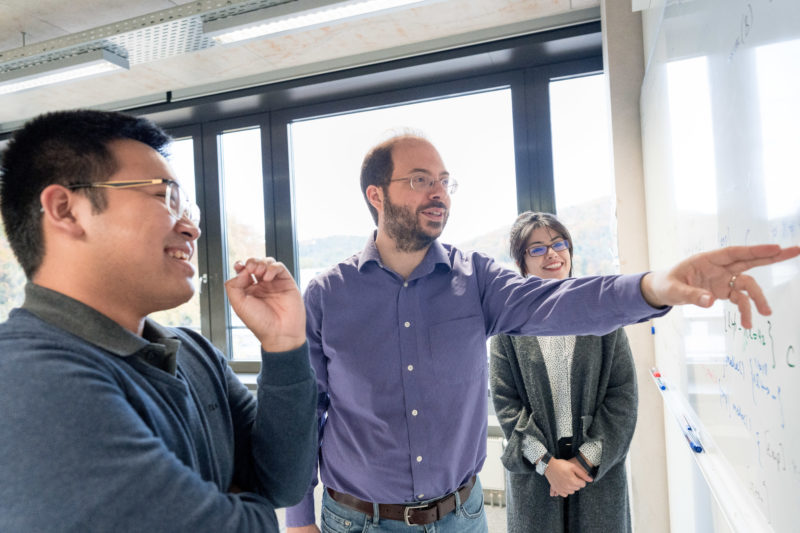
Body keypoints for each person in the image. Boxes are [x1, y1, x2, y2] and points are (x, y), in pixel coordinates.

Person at [281, 132, 797, 532]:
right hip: (358, 520)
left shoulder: (475, 280)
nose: (438, 192)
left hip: (461, 517)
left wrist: (656, 286)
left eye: (444, 180)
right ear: (376, 194)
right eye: (419, 179)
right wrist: (298, 515)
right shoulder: (328, 295)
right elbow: (304, 412)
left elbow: (558, 300)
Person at [0, 110, 318, 532]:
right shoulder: (25, 377)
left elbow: (283, 485)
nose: (191, 229)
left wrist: (285, 346)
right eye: (165, 197)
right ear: (66, 210)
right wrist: (239, 505)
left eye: (189, 207)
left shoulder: (195, 353)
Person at [490, 211, 636, 532]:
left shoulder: (601, 311)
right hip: (536, 476)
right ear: (522, 262)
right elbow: (505, 403)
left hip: (596, 473)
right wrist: (547, 465)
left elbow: (622, 396)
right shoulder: (508, 325)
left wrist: (583, 462)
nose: (552, 254)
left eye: (559, 243)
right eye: (538, 248)